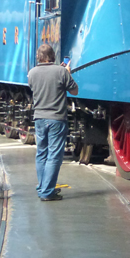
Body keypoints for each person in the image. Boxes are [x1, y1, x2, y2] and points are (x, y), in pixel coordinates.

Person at [28, 44, 77, 201]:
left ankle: (43, 187)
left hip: (39, 118)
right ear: (53, 56)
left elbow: (35, 87)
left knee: (41, 153)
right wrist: (67, 73)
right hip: (56, 118)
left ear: (39, 57)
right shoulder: (61, 72)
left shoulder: (32, 73)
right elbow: (74, 90)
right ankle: (47, 192)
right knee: (54, 155)